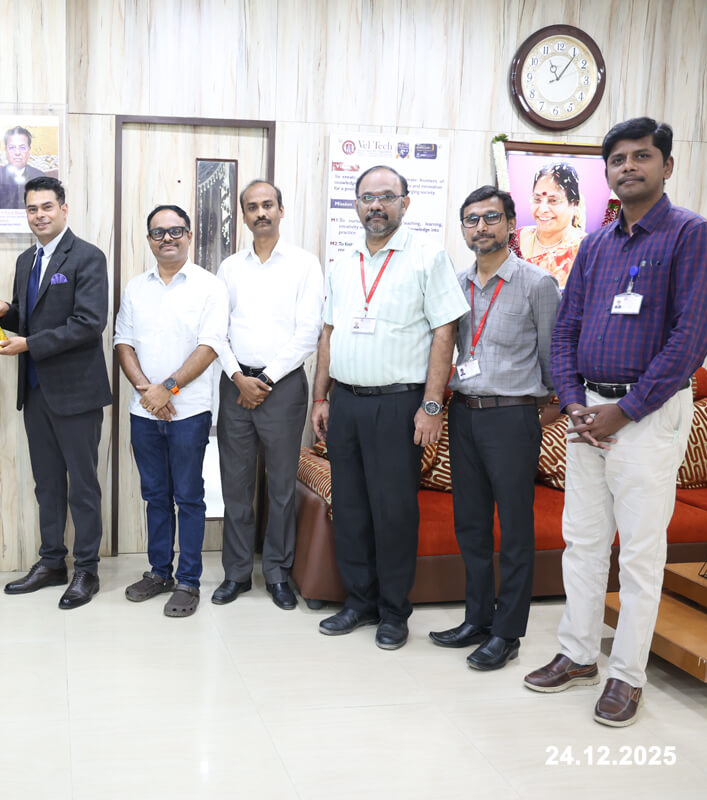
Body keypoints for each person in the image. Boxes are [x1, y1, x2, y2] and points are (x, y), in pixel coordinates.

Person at [524, 118, 707, 726]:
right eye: (617, 159)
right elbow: (567, 328)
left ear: (667, 165)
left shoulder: (695, 237)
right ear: (607, 173)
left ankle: (627, 676)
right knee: (583, 542)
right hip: (588, 414)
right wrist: (572, 400)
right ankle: (578, 654)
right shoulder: (597, 244)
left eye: (642, 156)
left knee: (639, 551)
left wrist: (625, 410)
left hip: (646, 416)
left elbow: (688, 343)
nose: (629, 167)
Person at [310, 165, 467, 650]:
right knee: (350, 508)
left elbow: (445, 331)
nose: (375, 205)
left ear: (405, 202)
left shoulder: (427, 256)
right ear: (355, 204)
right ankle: (359, 602)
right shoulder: (343, 260)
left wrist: (432, 405)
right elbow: (329, 332)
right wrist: (321, 397)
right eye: (366, 197)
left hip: (400, 404)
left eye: (386, 196)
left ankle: (394, 612)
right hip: (346, 402)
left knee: (394, 511)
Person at [430, 186, 560, 669]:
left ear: (509, 223)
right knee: (471, 524)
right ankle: (477, 619)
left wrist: (543, 408)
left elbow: (552, 356)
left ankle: (507, 633)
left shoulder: (536, 284)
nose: (480, 227)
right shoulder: (455, 284)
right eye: (471, 220)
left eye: (490, 218)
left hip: (511, 416)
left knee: (515, 528)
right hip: (464, 413)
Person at [0, 177, 111, 609]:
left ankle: (87, 569)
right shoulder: (27, 260)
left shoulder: (88, 257)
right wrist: (7, 312)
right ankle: (52, 561)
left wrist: (28, 344)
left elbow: (88, 323)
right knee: (47, 484)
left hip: (77, 393)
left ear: (64, 209)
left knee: (83, 487)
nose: (39, 215)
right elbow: (29, 317)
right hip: (36, 391)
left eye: (47, 207)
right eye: (32, 208)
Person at [211, 180, 323, 610]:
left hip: (284, 387)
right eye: (253, 207)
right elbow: (216, 331)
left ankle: (277, 572)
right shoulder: (230, 268)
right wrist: (238, 377)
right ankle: (237, 573)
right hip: (235, 384)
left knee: (280, 487)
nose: (261, 212)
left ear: (281, 210)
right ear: (243, 215)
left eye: (268, 205)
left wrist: (267, 379)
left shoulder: (304, 264)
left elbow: (308, 332)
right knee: (235, 485)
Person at [116, 205, 227, 618]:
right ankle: (159, 572)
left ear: (189, 235)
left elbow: (210, 346)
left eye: (176, 231)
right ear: (149, 239)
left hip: (190, 412)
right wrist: (149, 393)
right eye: (159, 232)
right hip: (144, 411)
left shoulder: (209, 286)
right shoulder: (136, 287)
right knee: (155, 496)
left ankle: (188, 581)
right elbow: (123, 342)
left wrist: (168, 389)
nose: (167, 238)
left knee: (189, 497)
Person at [517, 162, 586, 289]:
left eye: (553, 201)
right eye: (537, 199)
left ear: (574, 203)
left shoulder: (585, 248)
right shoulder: (516, 239)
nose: (542, 209)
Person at [0, 127, 45, 210]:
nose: (17, 153)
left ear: (29, 150)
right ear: (6, 150)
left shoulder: (39, 177)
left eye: (22, 148)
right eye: (12, 148)